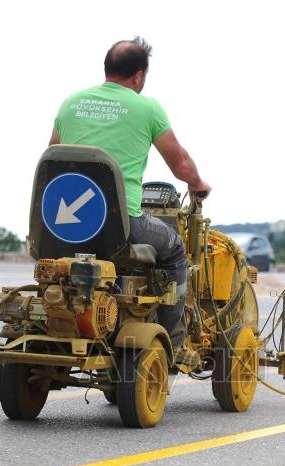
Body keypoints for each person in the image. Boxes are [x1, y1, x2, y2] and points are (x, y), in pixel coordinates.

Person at [49, 36, 210, 351]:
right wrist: (197, 183)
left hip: (61, 228)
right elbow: (179, 164)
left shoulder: (70, 103)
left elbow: (53, 155)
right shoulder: (147, 108)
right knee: (176, 250)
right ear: (139, 75)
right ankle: (171, 343)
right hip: (121, 227)